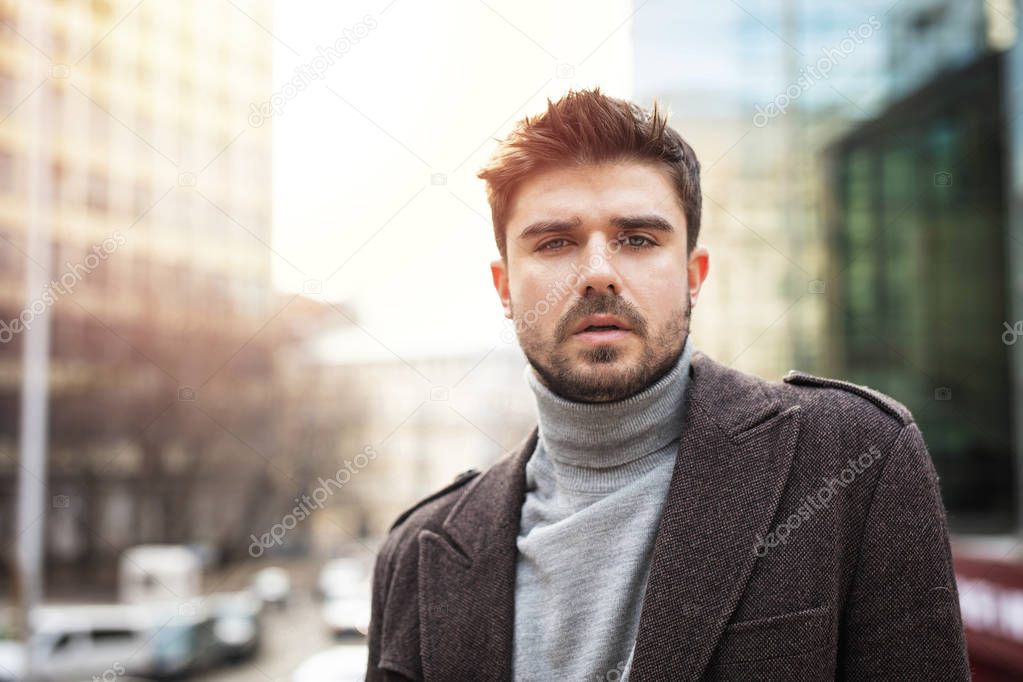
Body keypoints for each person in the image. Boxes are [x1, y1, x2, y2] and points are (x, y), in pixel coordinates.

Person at [365, 87, 969, 681]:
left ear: (693, 275)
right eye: (555, 242)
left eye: (637, 238)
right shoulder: (417, 555)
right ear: (504, 287)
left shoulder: (856, 458)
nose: (598, 273)